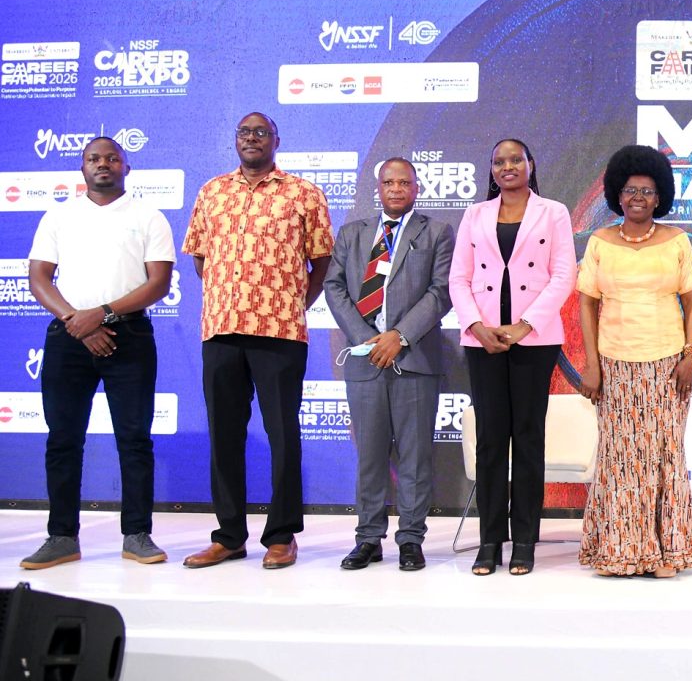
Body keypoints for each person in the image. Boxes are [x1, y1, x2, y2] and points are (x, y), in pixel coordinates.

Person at [181, 113, 332, 570]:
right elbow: (201, 259)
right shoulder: (212, 191)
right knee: (224, 435)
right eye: (244, 133)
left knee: (282, 433)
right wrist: (232, 294)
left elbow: (320, 261)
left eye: (260, 133)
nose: (251, 139)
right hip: (222, 329)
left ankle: (282, 535)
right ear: (236, 141)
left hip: (280, 331)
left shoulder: (303, 193)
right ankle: (228, 535)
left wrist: (289, 301)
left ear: (276, 141)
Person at [20, 136, 175, 570]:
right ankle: (61, 537)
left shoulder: (148, 216)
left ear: (126, 167)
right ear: (82, 167)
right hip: (68, 339)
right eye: (93, 158)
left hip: (129, 340)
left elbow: (158, 284)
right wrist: (78, 322)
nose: (102, 164)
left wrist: (102, 315)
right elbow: (39, 279)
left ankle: (137, 534)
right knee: (63, 440)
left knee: (134, 439)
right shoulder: (60, 215)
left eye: (111, 158)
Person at [450, 138, 577, 576]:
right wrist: (477, 326)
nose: (507, 167)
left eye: (515, 160)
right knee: (489, 442)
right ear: (491, 170)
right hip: (482, 340)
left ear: (530, 164)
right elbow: (459, 278)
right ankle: (489, 542)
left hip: (535, 340)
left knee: (527, 440)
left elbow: (564, 275)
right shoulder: (475, 214)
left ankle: (524, 541)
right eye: (499, 161)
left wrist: (525, 324)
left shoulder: (553, 211)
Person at [577, 145, 692, 577]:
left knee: (663, 456)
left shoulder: (677, 241)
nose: (638, 198)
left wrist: (690, 355)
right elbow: (586, 307)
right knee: (620, 457)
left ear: (659, 197)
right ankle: (618, 551)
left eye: (647, 192)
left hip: (667, 365)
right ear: (617, 193)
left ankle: (665, 552)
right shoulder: (599, 242)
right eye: (630, 190)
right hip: (614, 365)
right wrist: (592, 366)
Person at [324, 158, 455, 573]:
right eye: (388, 182)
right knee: (370, 457)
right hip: (365, 361)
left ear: (417, 187)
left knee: (415, 458)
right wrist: (366, 340)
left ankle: (411, 539)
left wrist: (398, 336)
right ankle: (368, 538)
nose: (396, 188)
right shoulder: (352, 234)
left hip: (413, 359)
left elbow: (441, 292)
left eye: (405, 182)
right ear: (376, 188)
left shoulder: (436, 232)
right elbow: (333, 287)